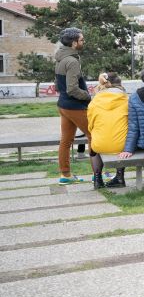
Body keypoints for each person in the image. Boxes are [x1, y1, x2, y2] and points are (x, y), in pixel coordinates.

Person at [54, 27, 91, 183]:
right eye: (81, 40)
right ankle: (99, 172)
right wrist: (89, 97)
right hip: (74, 106)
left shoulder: (60, 58)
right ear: (74, 42)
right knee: (95, 136)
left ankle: (65, 175)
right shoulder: (72, 61)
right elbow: (72, 89)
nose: (83, 42)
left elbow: (57, 86)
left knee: (66, 141)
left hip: (63, 105)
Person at [86, 72, 128, 189]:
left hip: (100, 144)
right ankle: (120, 177)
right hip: (122, 145)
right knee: (123, 137)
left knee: (94, 147)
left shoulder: (94, 102)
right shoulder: (126, 99)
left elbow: (90, 126)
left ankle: (98, 180)